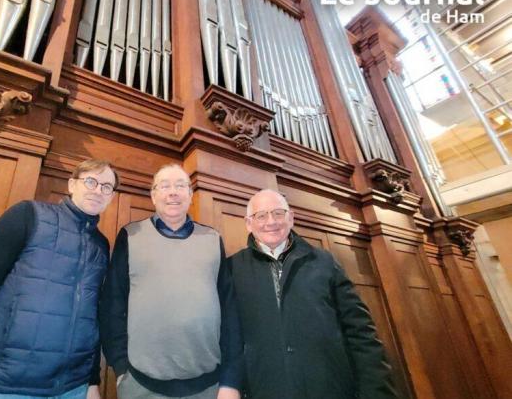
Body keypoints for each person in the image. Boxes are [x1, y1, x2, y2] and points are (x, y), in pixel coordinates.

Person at [0, 159, 119, 399]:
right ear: (72, 184)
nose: (98, 190)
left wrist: (92, 381)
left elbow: (90, 316)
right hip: (1, 387)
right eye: (91, 181)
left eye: (106, 187)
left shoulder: (101, 245)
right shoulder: (28, 215)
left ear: (111, 197)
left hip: (72, 388)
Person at [230, 189, 398, 399]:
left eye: (278, 213)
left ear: (291, 218)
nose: (271, 221)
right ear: (248, 223)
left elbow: (361, 332)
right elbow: (229, 340)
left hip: (330, 389)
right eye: (261, 215)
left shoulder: (324, 262)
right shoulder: (233, 269)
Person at [99, 164, 242, 399]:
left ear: (190, 195)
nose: (172, 192)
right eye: (164, 186)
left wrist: (230, 380)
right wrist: (121, 367)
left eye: (180, 186)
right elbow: (112, 305)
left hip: (209, 387)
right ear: (153, 196)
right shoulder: (131, 236)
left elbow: (229, 311)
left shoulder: (212, 239)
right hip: (140, 386)